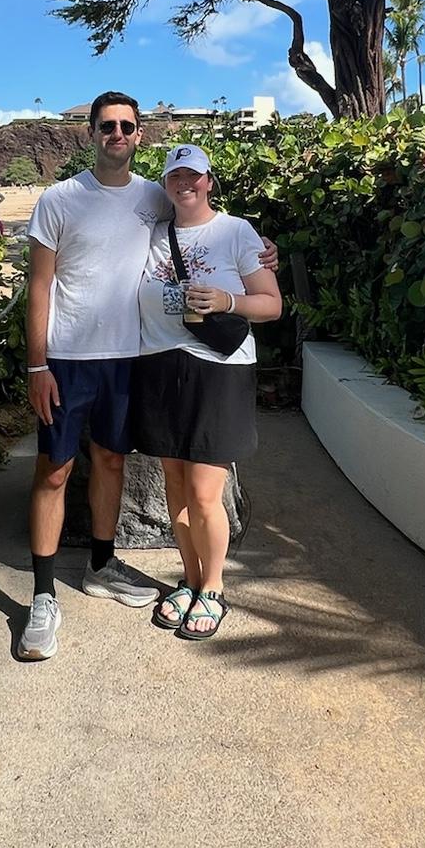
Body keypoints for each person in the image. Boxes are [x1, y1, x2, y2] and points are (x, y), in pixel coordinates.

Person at [16, 93, 278, 662]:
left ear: (139, 135)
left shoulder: (154, 196)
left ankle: (103, 566)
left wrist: (261, 253)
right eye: (107, 125)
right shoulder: (60, 199)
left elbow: (207, 219)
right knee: (55, 469)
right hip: (68, 357)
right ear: (91, 132)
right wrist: (37, 364)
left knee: (112, 461)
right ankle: (42, 595)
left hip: (131, 359)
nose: (117, 133)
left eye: (127, 126)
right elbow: (39, 285)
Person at [133, 143, 282, 640]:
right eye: (176, 176)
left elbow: (272, 305)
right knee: (175, 486)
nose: (185, 184)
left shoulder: (236, 231)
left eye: (193, 175)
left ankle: (214, 587)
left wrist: (226, 300)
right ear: (166, 184)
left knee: (202, 492)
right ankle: (190, 579)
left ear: (209, 181)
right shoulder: (152, 234)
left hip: (218, 371)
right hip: (159, 366)